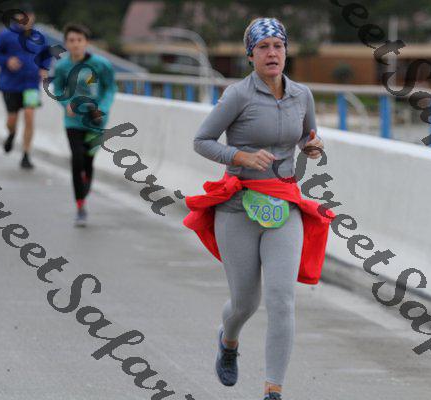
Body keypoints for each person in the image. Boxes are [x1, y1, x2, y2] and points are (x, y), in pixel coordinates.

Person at [183, 17, 333, 400]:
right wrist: (240, 157)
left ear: (286, 51)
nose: (272, 53)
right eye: (263, 47)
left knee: (281, 300)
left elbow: (307, 136)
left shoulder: (302, 95)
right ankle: (228, 340)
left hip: (284, 205)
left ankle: (273, 390)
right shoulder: (238, 95)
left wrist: (311, 147)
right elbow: (202, 140)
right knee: (246, 302)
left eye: (278, 46)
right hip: (238, 207)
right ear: (250, 55)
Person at [52, 23, 116, 226]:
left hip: (96, 122)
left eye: (79, 40)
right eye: (71, 40)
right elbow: (57, 88)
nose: (76, 44)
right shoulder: (62, 67)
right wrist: (66, 104)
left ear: (86, 42)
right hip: (73, 121)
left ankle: (85, 185)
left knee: (88, 160)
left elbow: (110, 88)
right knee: (77, 159)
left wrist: (102, 108)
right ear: (66, 43)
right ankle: (80, 206)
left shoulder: (101, 64)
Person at [0, 4, 50, 169]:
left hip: (31, 84)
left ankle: (26, 155)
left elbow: (46, 55)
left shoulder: (40, 36)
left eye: (29, 16)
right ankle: (11, 134)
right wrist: (7, 60)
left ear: (33, 17)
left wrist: (44, 68)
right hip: (10, 85)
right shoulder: (6, 35)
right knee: (12, 120)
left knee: (30, 116)